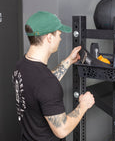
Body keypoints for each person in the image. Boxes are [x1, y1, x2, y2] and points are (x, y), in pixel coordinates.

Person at [12, 11, 95, 141]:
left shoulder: (21, 65)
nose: (60, 39)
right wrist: (83, 105)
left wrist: (68, 61)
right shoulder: (46, 83)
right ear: (49, 37)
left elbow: (39, 88)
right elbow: (61, 130)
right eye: (59, 34)